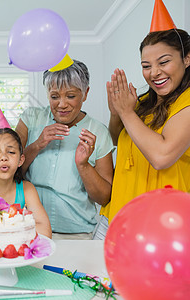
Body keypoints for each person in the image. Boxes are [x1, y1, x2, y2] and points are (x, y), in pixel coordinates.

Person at [101, 28, 190, 222]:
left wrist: (127, 113)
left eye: (164, 62)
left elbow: (161, 156)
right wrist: (116, 113)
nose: (154, 73)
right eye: (146, 66)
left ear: (187, 58)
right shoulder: (144, 101)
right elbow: (119, 140)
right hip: (114, 217)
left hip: (156, 224)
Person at [15, 60, 114, 240]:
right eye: (54, 96)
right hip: (30, 228)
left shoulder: (98, 131)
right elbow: (10, 172)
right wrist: (37, 144)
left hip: (78, 234)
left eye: (70, 96)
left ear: (85, 94)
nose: (61, 104)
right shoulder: (31, 118)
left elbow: (104, 198)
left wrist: (83, 165)